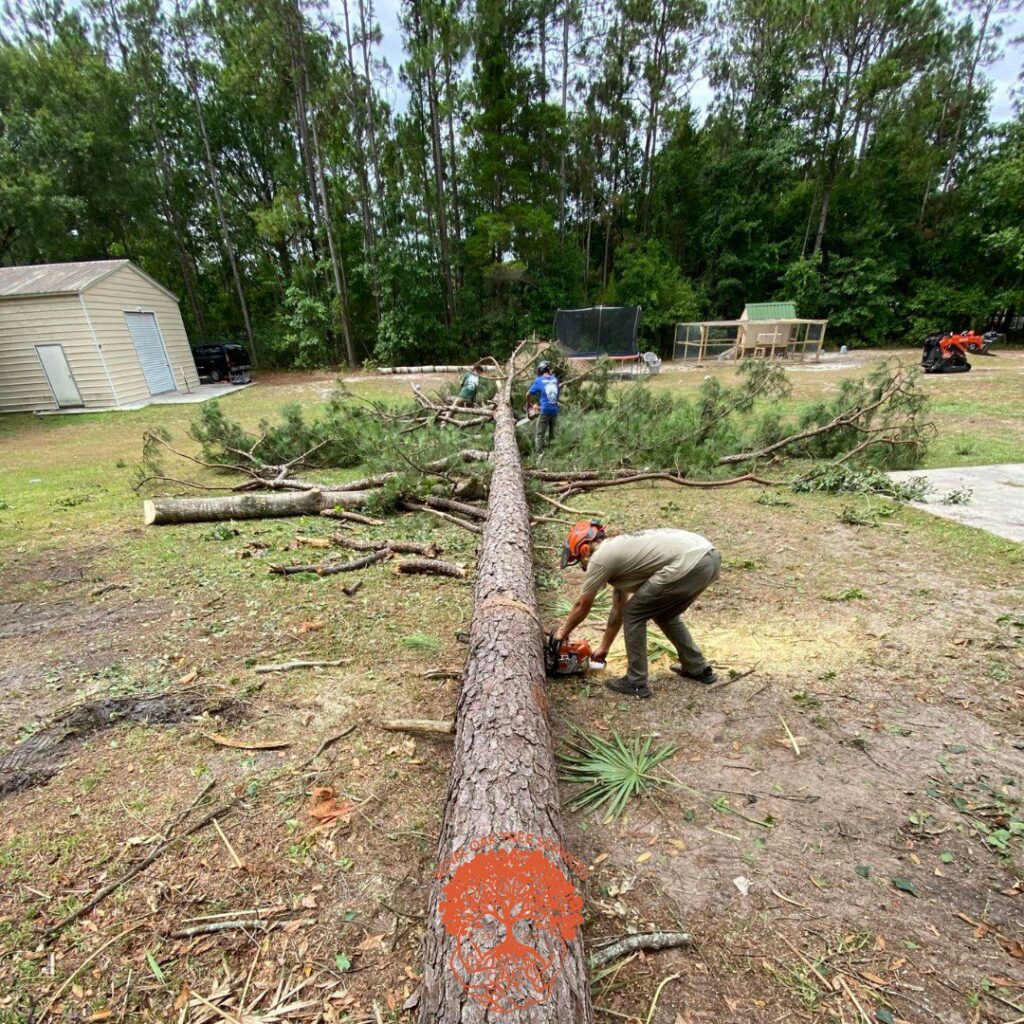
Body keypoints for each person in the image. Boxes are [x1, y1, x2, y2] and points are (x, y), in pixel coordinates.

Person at [554, 520, 721, 699]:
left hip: (690, 562)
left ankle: (636, 681)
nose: (581, 565)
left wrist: (562, 633)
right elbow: (618, 609)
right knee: (666, 615)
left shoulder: (601, 558)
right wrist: (604, 647)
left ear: (585, 550)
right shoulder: (620, 553)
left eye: (579, 559)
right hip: (709, 558)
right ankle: (697, 667)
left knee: (634, 613)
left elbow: (582, 606)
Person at [526, 360, 560, 452]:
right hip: (554, 410)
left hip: (545, 411)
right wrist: (540, 406)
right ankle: (554, 452)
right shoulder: (555, 379)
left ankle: (539, 453)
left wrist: (529, 404)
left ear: (540, 370)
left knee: (539, 434)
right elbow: (554, 398)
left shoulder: (539, 380)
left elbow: (528, 394)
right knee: (553, 435)